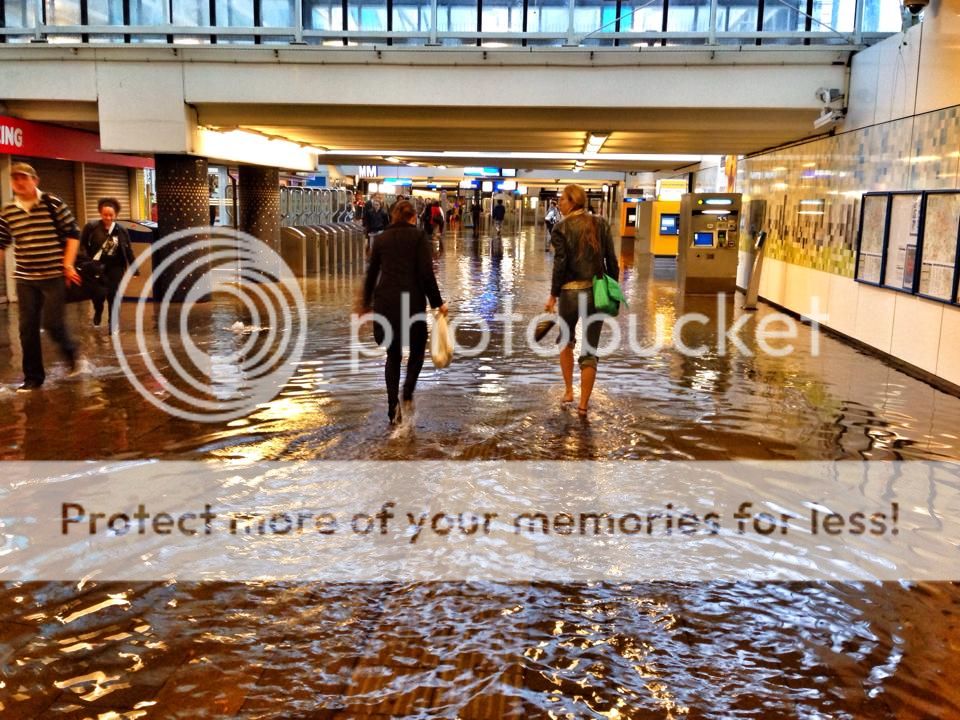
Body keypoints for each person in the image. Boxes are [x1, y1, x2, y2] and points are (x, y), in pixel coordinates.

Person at [361, 200, 447, 424]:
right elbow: (426, 274)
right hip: (412, 302)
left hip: (386, 303)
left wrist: (365, 305)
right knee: (417, 350)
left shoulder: (381, 239)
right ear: (413, 217)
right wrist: (438, 303)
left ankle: (393, 407)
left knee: (393, 354)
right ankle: (407, 391)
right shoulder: (418, 237)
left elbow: (371, 275)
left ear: (393, 217)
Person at [0, 162, 81, 391]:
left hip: (53, 275)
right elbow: (2, 243)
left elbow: (73, 233)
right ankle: (33, 377)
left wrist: (68, 264)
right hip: (25, 277)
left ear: (35, 180)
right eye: (15, 178)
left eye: (24, 178)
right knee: (27, 328)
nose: (19, 182)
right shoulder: (7, 210)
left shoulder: (52, 203)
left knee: (52, 323)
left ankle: (70, 351)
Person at [544, 184, 618, 417]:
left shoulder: (560, 228)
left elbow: (560, 264)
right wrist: (612, 290)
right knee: (590, 349)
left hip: (570, 294)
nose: (560, 204)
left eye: (562, 200)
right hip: (596, 292)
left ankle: (568, 391)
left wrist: (553, 295)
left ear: (573, 201)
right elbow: (612, 261)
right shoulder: (601, 224)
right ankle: (583, 405)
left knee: (565, 340)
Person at [80, 197, 135, 330]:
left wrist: (134, 267)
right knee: (98, 295)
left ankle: (113, 321)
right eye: (105, 214)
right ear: (100, 213)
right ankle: (98, 311)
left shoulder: (121, 230)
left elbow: (128, 249)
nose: (108, 218)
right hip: (96, 267)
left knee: (113, 294)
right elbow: (82, 244)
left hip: (116, 266)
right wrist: (87, 260)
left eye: (111, 215)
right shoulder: (91, 227)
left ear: (116, 215)